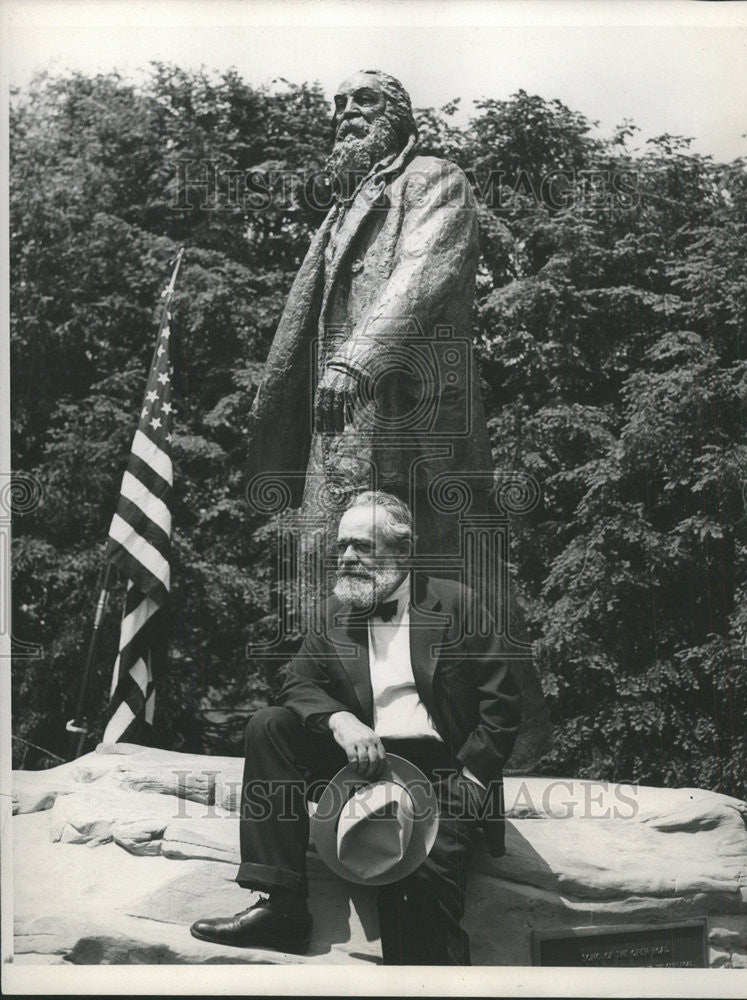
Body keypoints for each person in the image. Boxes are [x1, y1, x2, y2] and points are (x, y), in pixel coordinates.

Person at [190, 491, 525, 964]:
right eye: (343, 545)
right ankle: (282, 907)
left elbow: (504, 702)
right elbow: (293, 683)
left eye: (362, 547)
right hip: (357, 768)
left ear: (403, 552)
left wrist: (471, 781)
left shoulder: (457, 604)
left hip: (441, 776)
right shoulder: (334, 613)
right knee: (271, 726)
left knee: (418, 890)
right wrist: (338, 719)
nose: (346, 557)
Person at [246, 69, 493, 561]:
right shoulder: (341, 208)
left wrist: (356, 357)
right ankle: (325, 641)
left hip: (408, 413)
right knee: (323, 558)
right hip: (336, 420)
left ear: (397, 117)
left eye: (364, 99)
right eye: (339, 103)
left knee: (426, 565)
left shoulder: (434, 177)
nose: (347, 113)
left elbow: (423, 273)